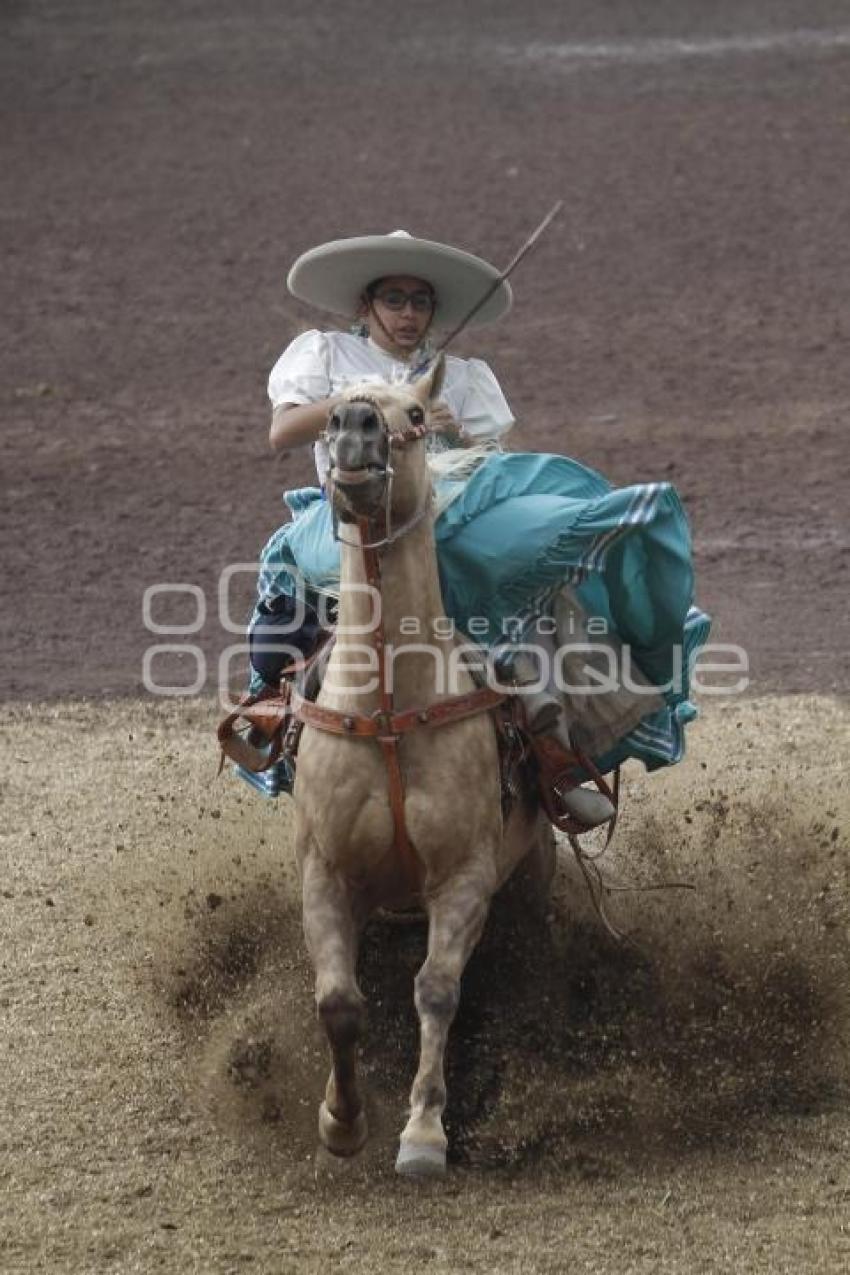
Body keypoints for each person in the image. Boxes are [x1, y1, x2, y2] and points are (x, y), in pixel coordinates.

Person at [238, 229, 710, 826]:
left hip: (450, 510)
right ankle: (269, 708)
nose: (408, 314)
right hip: (347, 515)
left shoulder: (461, 376)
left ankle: (555, 760)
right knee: (292, 600)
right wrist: (375, 404)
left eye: (420, 301)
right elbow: (282, 432)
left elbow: (492, 460)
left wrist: (453, 429)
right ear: (367, 304)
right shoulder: (326, 354)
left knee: (523, 583)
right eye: (394, 299)